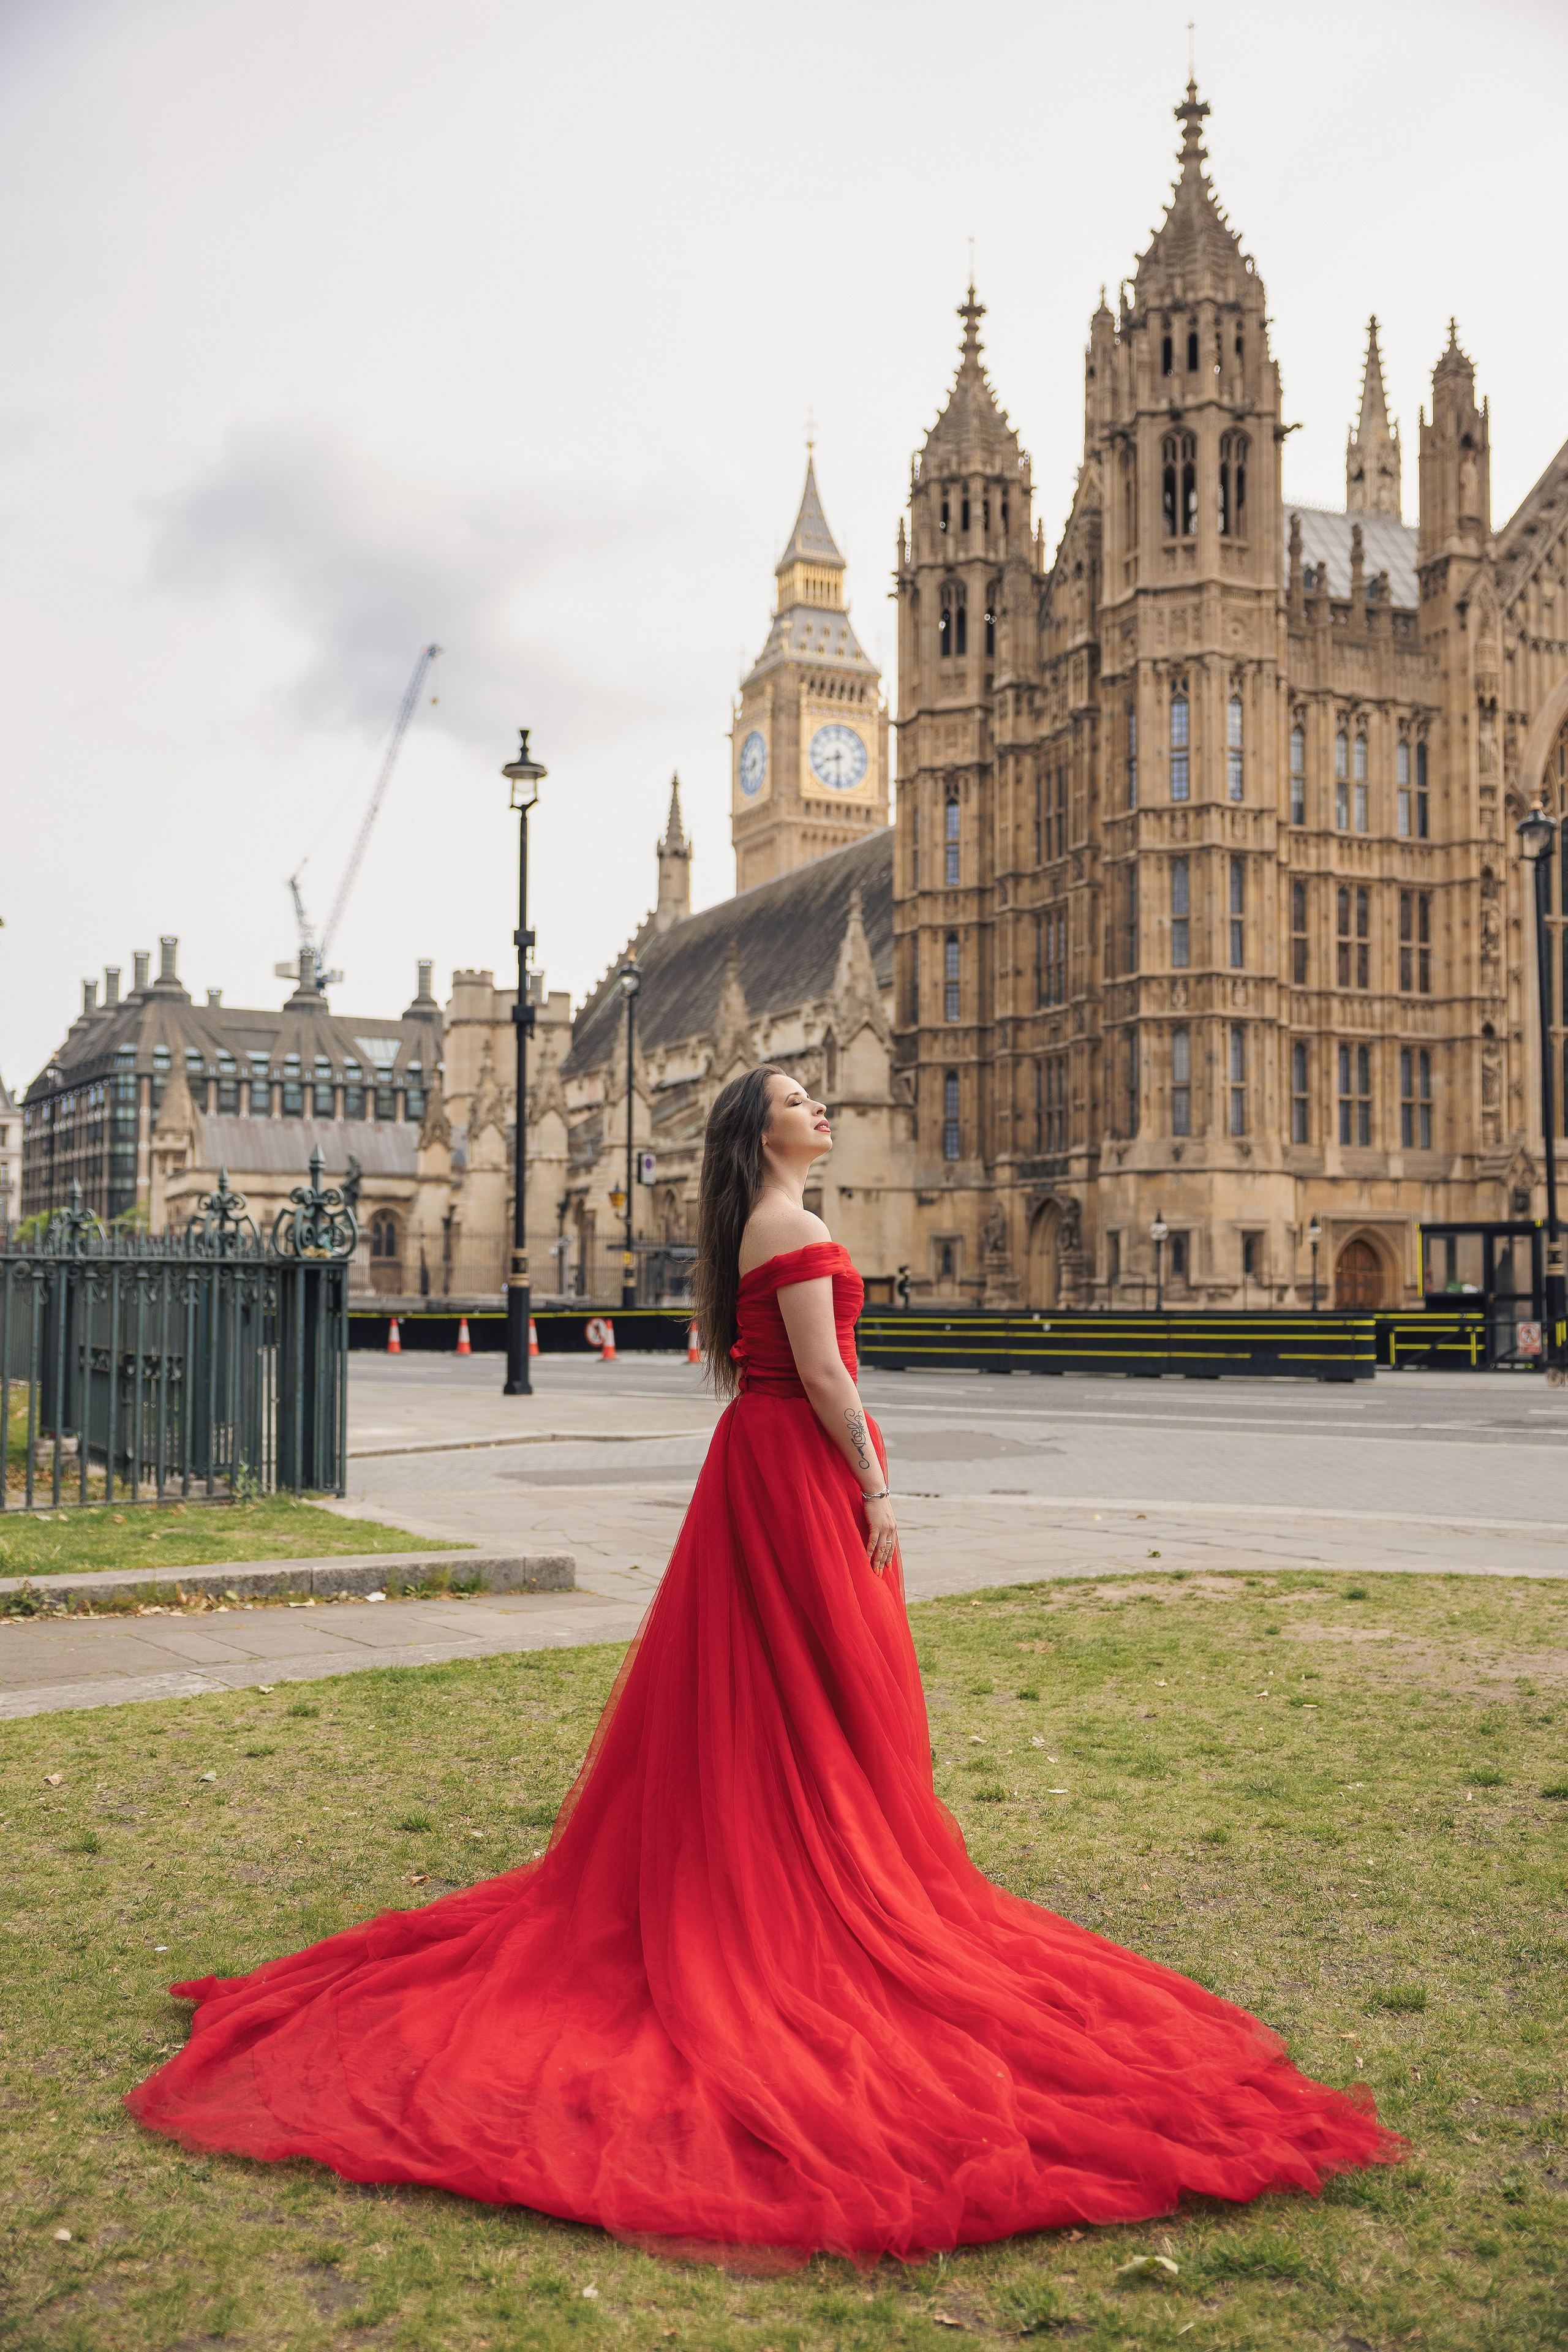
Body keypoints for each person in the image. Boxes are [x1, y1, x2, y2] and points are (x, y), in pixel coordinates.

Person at [127, 1065, 1400, 2265]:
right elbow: (829, 1376)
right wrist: (876, 1485)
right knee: (827, 1684)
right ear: (759, 1136)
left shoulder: (772, 1220)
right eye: (798, 1099)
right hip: (795, 1467)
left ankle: (795, 1844)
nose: (820, 1108)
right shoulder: (788, 1231)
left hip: (760, 1460)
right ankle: (816, 1871)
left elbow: (771, 1369)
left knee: (785, 1691)